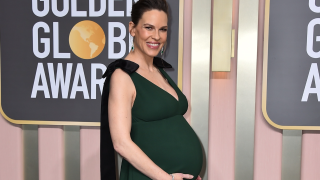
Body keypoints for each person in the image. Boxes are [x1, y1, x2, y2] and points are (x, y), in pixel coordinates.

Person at [100, 0, 203, 179]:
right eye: (149, 27)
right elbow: (121, 143)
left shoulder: (158, 69)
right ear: (132, 28)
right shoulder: (122, 76)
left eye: (162, 29)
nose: (156, 36)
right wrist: (167, 178)